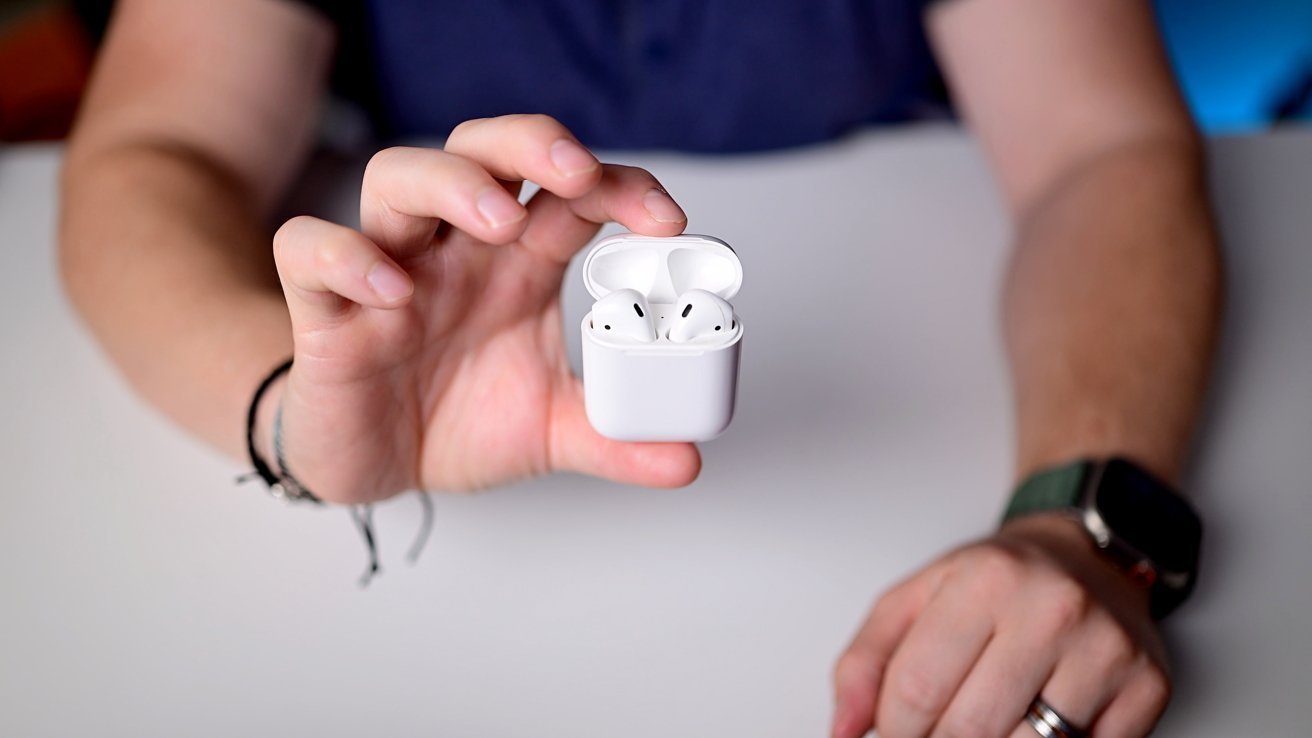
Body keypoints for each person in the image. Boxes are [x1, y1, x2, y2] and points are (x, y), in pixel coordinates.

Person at [58, 1, 1222, 736]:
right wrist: (288, 411)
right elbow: (159, 152)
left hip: (899, 448)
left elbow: (1098, 147)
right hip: (442, 515)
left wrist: (1081, 520)